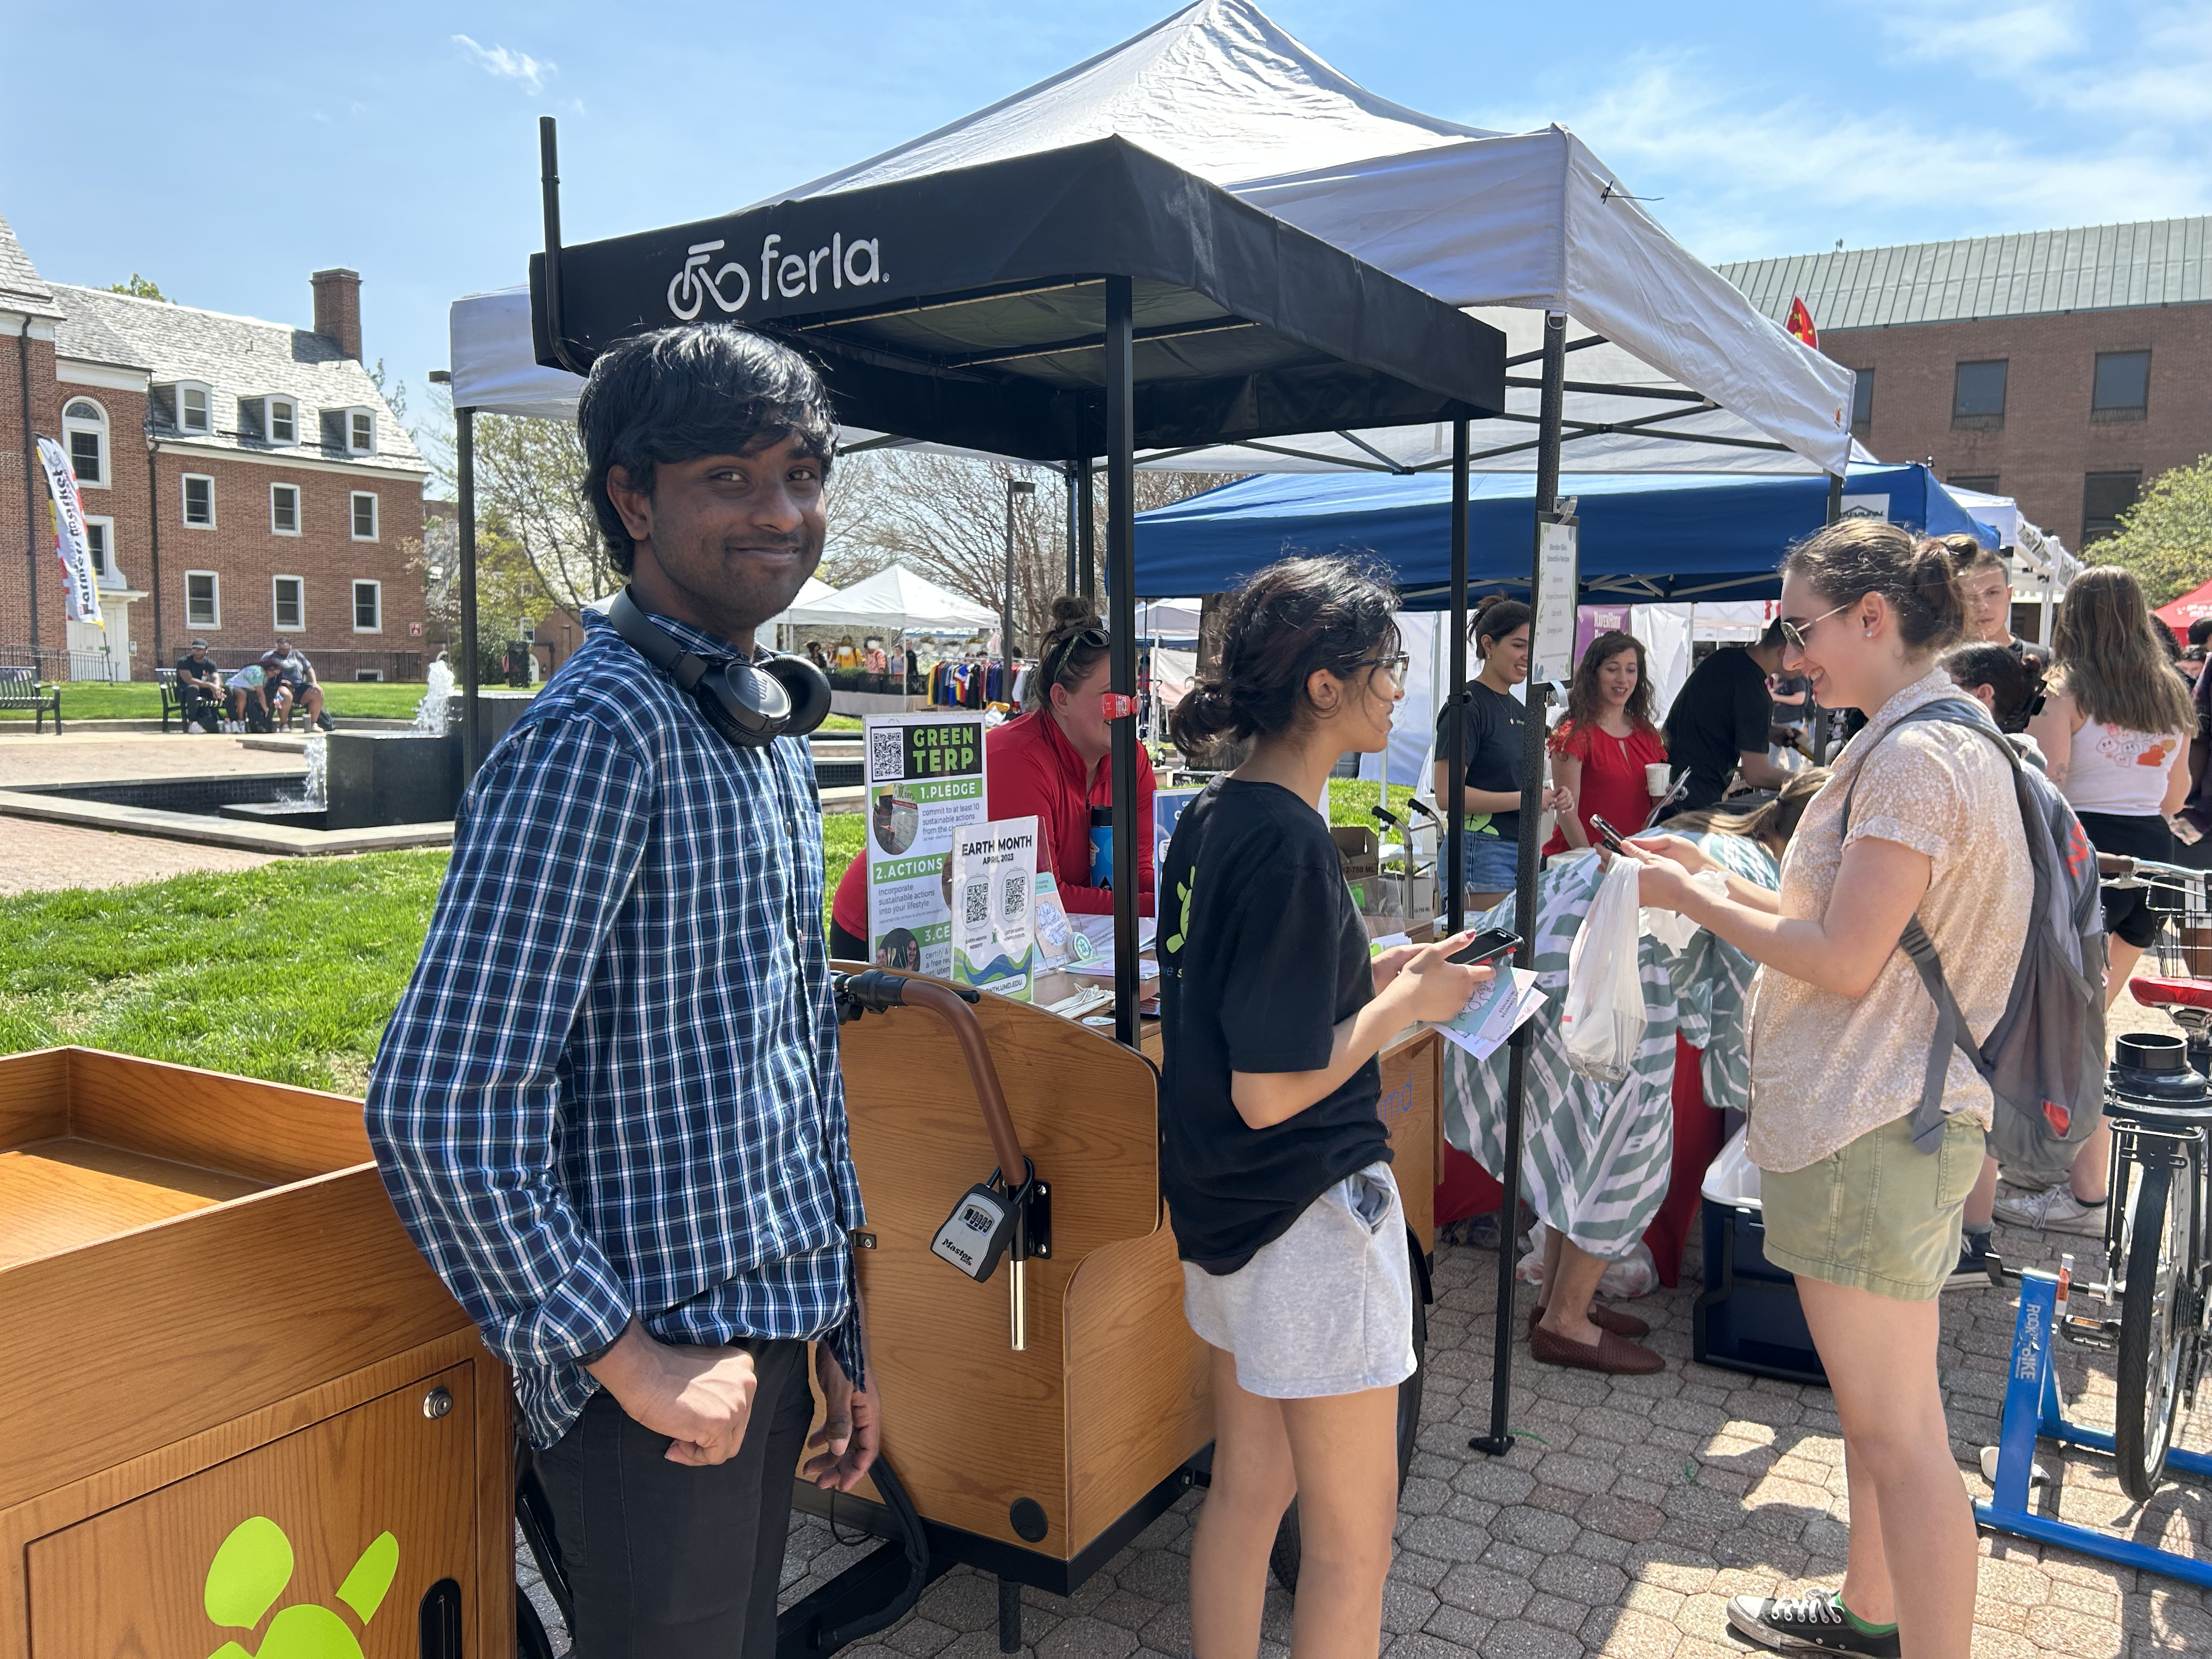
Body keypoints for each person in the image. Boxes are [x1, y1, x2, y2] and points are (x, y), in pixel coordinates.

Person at [365, 324, 876, 1658]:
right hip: (649, 1372)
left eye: (803, 472)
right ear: (633, 499)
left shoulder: (752, 720)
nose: (783, 513)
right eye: (731, 477)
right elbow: (440, 1104)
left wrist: (836, 1334)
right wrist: (630, 1362)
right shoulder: (600, 737)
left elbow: (785, 1064)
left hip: (763, 1334)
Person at [1628, 519, 2029, 1658]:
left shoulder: (1911, 756)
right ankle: (1871, 1611)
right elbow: (1848, 934)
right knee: (1881, 1419)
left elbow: (1843, 959)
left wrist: (1699, 902)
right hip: (1895, 1117)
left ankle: (1913, 1634)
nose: (1790, 651)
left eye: (1800, 626)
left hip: (1873, 1123)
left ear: (1872, 617)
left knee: (1901, 1437)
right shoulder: (1939, 735)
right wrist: (1714, 874)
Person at [1158, 554, 1488, 1659]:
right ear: (1323, 686)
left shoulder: (1214, 819)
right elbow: (1273, 1087)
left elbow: (1244, 1003)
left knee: (1247, 1501)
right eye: (1386, 664)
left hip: (1228, 1221)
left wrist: (1384, 974)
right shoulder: (1294, 843)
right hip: (1308, 1218)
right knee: (1354, 1553)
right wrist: (1411, 1005)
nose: (1400, 686)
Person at [1996, 565, 2196, 1238]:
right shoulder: (2171, 690)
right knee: (2083, 1026)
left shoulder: (2071, 688)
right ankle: (2077, 1187)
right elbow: (2175, 798)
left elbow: (2048, 775)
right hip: (2151, 864)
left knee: (2066, 1032)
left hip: (2083, 860)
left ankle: (2079, 1194)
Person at [828, 595, 1158, 958]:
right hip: (891, 926)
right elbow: (1039, 892)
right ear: (1061, 699)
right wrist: (1158, 907)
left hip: (996, 929)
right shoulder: (1016, 759)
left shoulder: (1133, 758)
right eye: (1113, 697)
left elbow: (1143, 869)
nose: (1129, 708)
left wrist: (1175, 899)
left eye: (1135, 696)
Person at [1433, 596, 1571, 911]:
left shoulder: (1524, 710)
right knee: (1483, 955)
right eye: (1518, 645)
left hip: (1521, 848)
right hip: (1479, 852)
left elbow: (1515, 785)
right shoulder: (1467, 705)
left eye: (1531, 647)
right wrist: (1527, 799)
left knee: (1510, 954)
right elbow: (1447, 795)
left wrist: (1552, 795)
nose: (1527, 656)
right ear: (1489, 645)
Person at [1544, 629, 1667, 853]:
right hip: (1582, 864)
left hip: (1630, 861)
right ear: (1594, 674)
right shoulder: (1574, 735)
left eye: (1631, 670)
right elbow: (1567, 812)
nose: (1623, 679)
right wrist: (1589, 862)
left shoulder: (1646, 733)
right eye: (1613, 669)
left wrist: (1662, 798)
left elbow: (1649, 807)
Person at [1659, 621, 1793, 815]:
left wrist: (1767, 732)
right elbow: (1757, 774)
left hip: (1668, 782)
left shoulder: (1724, 659)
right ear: (1784, 652)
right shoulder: (1755, 693)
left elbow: (1717, 719)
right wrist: (1806, 782)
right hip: (1693, 795)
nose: (1805, 671)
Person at [1944, 536, 2051, 668]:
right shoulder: (1946, 666)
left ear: (2009, 595)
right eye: (1971, 597)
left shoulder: (2044, 662)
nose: (1983, 606)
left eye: (1992, 593)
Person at [261, 637, 332, 731]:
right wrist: (281, 681)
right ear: (276, 646)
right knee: (285, 695)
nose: (283, 650)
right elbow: (262, 672)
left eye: (286, 648)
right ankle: (284, 724)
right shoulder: (269, 656)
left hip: (299, 686)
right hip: (280, 686)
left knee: (317, 692)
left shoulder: (297, 655)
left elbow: (309, 668)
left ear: (290, 646)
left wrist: (314, 683)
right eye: (280, 648)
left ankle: (313, 724)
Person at [173, 639, 224, 733]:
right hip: (185, 691)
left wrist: (217, 687)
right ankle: (192, 722)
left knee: (226, 690)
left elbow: (215, 676)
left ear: (206, 651)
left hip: (202, 690)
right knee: (194, 688)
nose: (196, 652)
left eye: (199, 650)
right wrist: (209, 685)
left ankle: (231, 721)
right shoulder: (184, 661)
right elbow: (189, 680)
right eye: (194, 649)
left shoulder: (209, 663)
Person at [225, 661, 275, 731]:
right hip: (233, 686)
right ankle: (241, 721)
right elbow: (260, 693)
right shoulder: (257, 672)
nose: (274, 675)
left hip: (248, 689)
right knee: (242, 694)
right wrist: (266, 709)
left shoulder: (266, 676)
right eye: (273, 673)